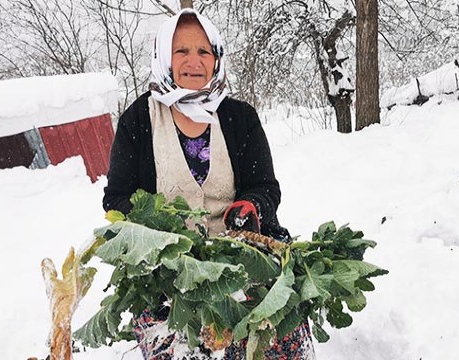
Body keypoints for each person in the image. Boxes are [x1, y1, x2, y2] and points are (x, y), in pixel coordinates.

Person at [102, 8, 313, 360]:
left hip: (243, 256)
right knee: (180, 344)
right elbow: (117, 199)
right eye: (181, 51)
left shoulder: (240, 117)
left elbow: (265, 186)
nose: (193, 61)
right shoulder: (138, 121)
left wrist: (250, 207)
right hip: (167, 271)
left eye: (204, 51)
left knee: (273, 326)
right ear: (164, 58)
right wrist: (156, 232)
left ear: (216, 58)